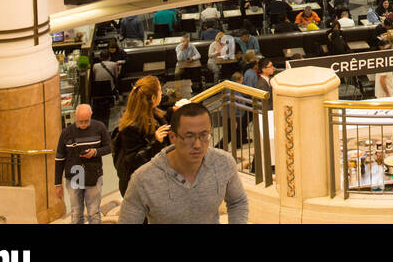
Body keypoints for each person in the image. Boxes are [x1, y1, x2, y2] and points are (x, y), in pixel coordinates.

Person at [118, 102, 249, 224]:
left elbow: (238, 201)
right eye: (189, 136)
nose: (198, 145)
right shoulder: (143, 179)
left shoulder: (223, 162)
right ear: (172, 137)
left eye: (204, 135)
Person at [112, 75, 171, 196]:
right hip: (139, 188)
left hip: (153, 182)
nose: (162, 93)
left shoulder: (154, 115)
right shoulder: (131, 128)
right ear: (153, 98)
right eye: (160, 90)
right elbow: (133, 162)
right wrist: (156, 142)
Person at [53, 103, 112, 223]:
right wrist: (57, 183)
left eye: (86, 121)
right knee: (76, 212)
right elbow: (59, 158)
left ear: (91, 116)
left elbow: (110, 147)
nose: (84, 124)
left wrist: (95, 152)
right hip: (74, 175)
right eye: (81, 121)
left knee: (94, 211)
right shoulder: (66, 133)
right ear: (75, 117)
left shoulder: (99, 127)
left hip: (93, 174)